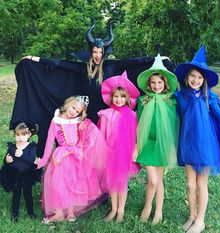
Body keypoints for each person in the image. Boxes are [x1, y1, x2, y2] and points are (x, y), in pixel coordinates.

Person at [10, 18, 175, 156]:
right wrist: (33, 59)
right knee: (88, 147)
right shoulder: (82, 69)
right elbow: (59, 64)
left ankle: (105, 186)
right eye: (95, 52)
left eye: (100, 52)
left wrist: (158, 59)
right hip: (87, 113)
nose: (98, 55)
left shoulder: (111, 67)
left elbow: (135, 61)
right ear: (91, 52)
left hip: (107, 114)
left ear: (104, 52)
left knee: (106, 147)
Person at [174, 45, 220, 233]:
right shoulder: (179, 97)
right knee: (190, 184)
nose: (196, 80)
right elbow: (172, 116)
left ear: (204, 80)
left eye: (200, 77)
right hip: (188, 145)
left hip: (206, 147)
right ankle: (192, 215)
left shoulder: (210, 98)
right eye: (193, 76)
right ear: (187, 77)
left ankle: (200, 221)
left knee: (201, 184)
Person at [36, 95, 107, 223]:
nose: (73, 112)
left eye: (77, 111)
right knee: (58, 184)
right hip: (62, 157)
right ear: (68, 103)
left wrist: (81, 149)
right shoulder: (56, 120)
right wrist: (43, 159)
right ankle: (58, 213)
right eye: (73, 107)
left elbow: (84, 136)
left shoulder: (78, 121)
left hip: (76, 155)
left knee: (73, 184)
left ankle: (70, 213)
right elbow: (49, 141)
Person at [135, 55, 179, 224]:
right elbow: (138, 123)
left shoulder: (171, 102)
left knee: (159, 180)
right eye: (153, 82)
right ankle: (147, 206)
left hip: (163, 144)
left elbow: (173, 125)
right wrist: (136, 146)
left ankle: (158, 211)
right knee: (152, 179)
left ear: (165, 83)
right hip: (147, 143)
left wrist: (170, 146)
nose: (156, 86)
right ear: (149, 83)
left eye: (160, 83)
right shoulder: (142, 100)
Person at [97, 71, 140, 223]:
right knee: (111, 182)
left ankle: (121, 210)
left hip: (124, 154)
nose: (119, 99)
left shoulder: (133, 115)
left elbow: (135, 136)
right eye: (116, 96)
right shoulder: (106, 114)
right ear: (111, 97)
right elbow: (101, 135)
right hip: (110, 152)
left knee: (122, 182)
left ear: (127, 98)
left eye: (122, 96)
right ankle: (113, 208)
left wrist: (135, 150)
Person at [0, 122, 39, 221]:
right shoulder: (12, 147)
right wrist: (7, 160)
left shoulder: (32, 147)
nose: (20, 137)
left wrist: (22, 155)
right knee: (16, 195)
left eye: (23, 134)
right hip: (15, 175)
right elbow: (7, 158)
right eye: (17, 135)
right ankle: (14, 215)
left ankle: (31, 212)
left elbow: (32, 161)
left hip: (27, 175)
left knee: (27, 194)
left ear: (29, 135)